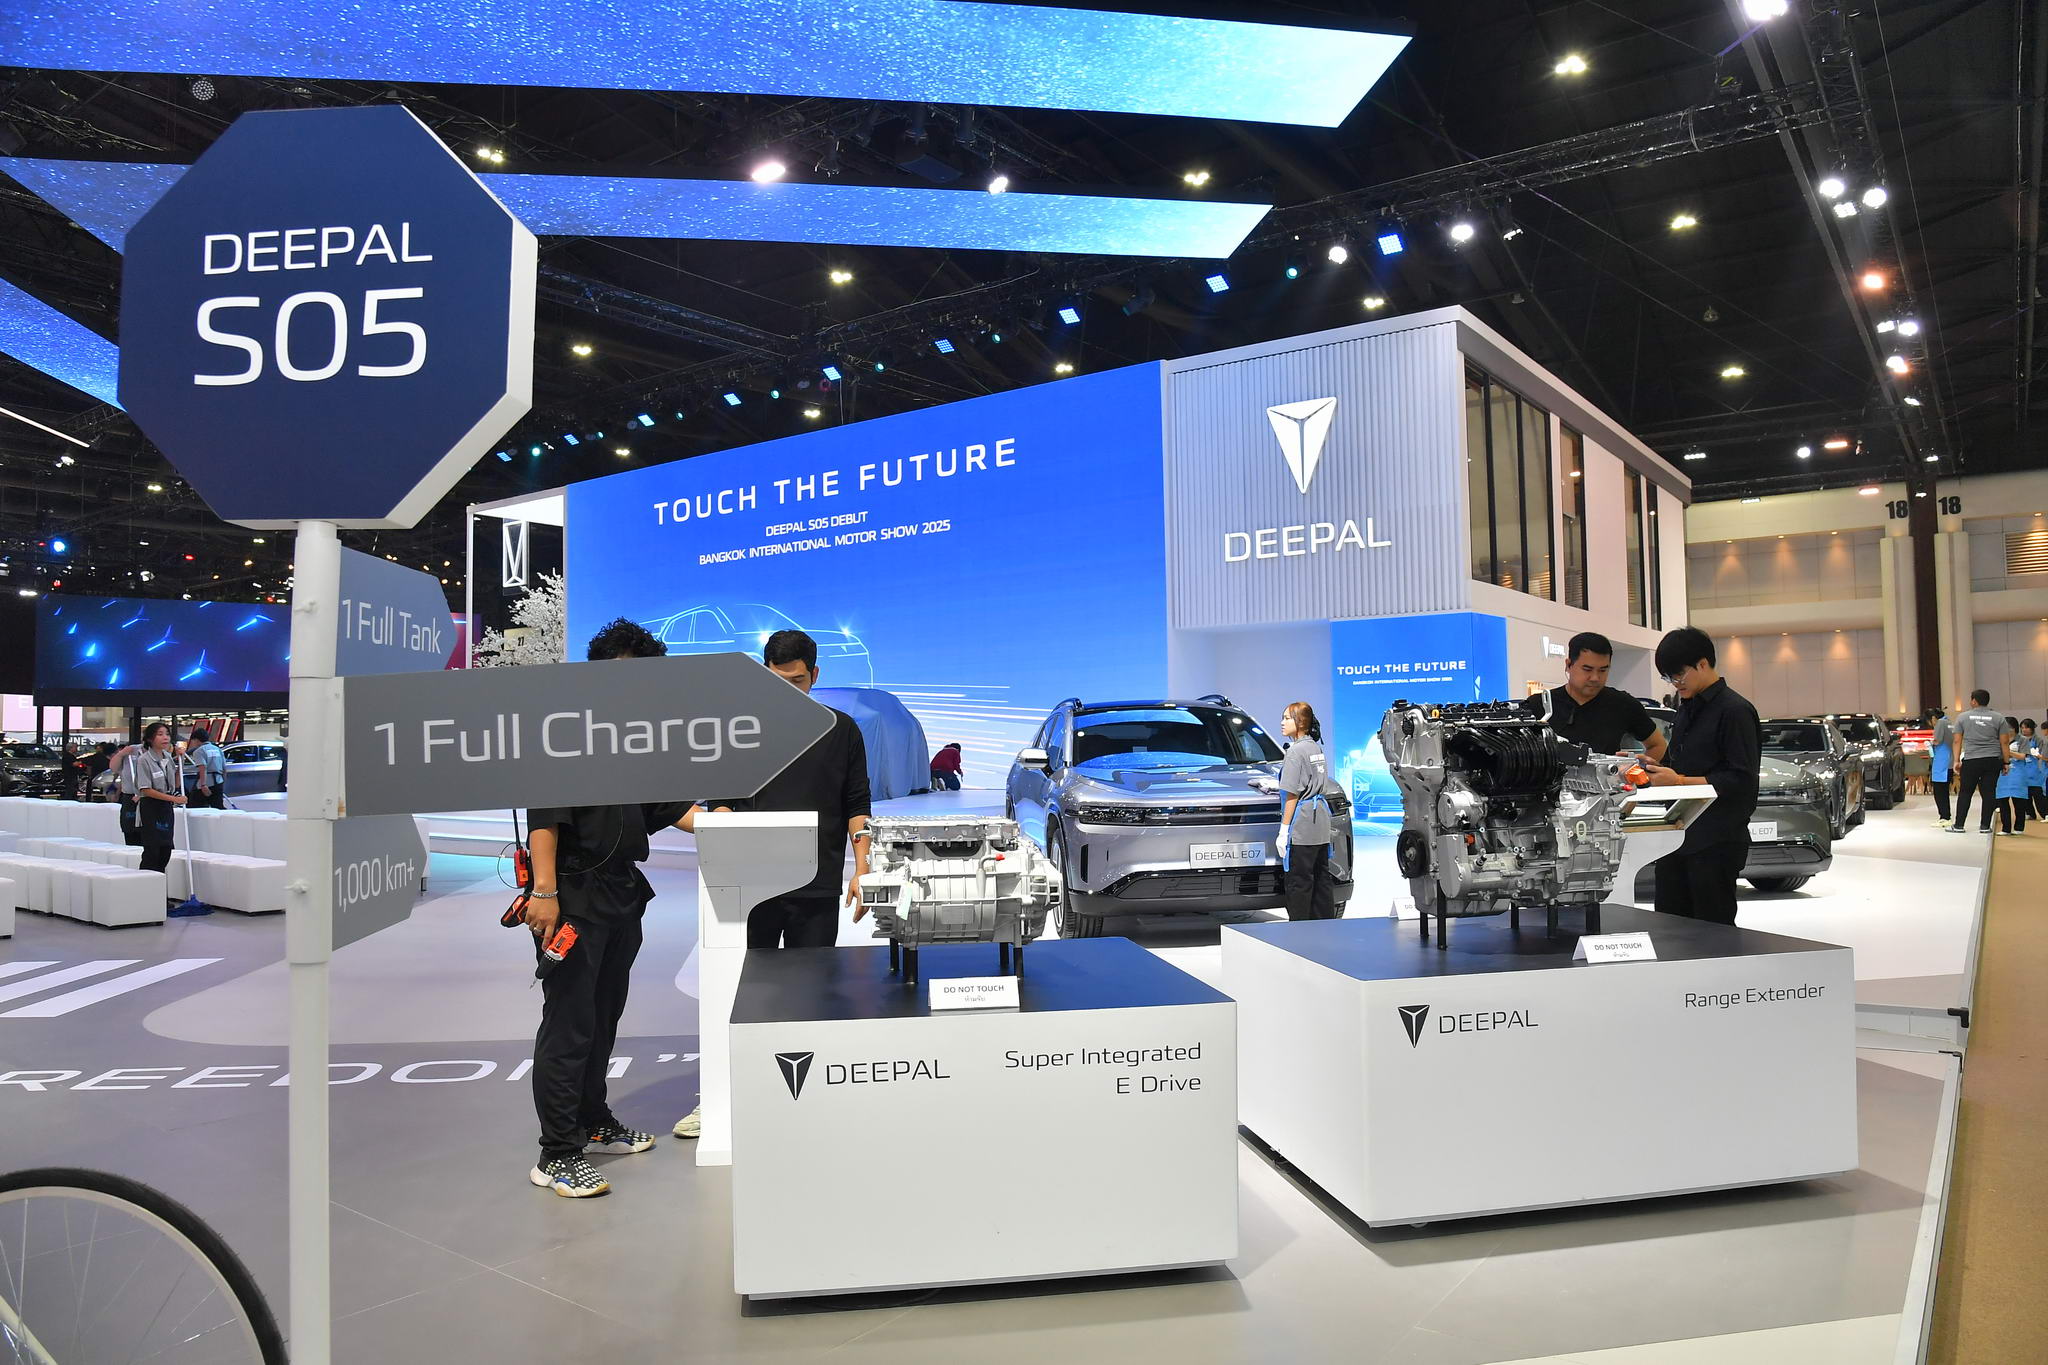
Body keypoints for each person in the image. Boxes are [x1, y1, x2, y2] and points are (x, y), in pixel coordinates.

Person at [523, 617, 699, 1199]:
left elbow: (667, 808)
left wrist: (727, 822)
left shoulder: (635, 739)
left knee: (603, 1019)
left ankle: (593, 1121)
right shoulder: (564, 733)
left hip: (622, 894)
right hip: (571, 897)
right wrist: (543, 892)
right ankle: (557, 1153)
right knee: (570, 1023)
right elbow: (545, 818)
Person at [673, 628, 871, 1141]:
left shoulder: (842, 731)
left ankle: (807, 1100)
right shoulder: (740, 729)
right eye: (777, 680)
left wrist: (863, 867)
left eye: (797, 680)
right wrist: (720, 819)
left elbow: (857, 804)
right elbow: (719, 800)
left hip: (816, 884)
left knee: (812, 993)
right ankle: (723, 1098)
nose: (788, 690)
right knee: (742, 994)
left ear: (815, 675)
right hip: (749, 887)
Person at [1639, 627, 1761, 925]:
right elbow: (1681, 763)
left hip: (1716, 840)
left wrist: (1679, 782)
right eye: (1668, 678)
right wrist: (1650, 766)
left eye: (1679, 675)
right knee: (1669, 925)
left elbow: (1740, 780)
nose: (1675, 683)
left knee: (1713, 930)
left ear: (1703, 664)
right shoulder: (1686, 709)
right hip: (1677, 835)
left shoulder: (1735, 711)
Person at [1522, 631, 1669, 760]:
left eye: (1603, 670)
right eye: (1587, 669)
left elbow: (1658, 745)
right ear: (1568, 665)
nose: (1595, 678)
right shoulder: (1538, 705)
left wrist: (1635, 773)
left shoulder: (1622, 704)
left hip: (1604, 782)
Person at [1277, 701, 1343, 920]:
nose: (1282, 722)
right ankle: (1324, 927)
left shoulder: (1295, 752)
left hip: (1303, 824)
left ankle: (1299, 929)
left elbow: (1291, 795)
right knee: (1321, 878)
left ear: (1301, 721)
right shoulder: (1315, 747)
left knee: (1299, 881)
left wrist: (1284, 831)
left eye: (1287, 718)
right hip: (1320, 821)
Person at [122, 723, 187, 875]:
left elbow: (175, 783)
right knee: (153, 850)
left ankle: (159, 880)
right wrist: (173, 799)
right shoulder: (144, 760)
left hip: (166, 807)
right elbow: (145, 789)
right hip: (150, 807)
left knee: (166, 848)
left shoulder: (168, 758)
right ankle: (147, 881)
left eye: (167, 734)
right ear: (150, 739)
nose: (165, 738)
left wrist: (181, 762)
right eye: (160, 734)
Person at [1946, 690, 2013, 834]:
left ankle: (1959, 825)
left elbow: (1957, 740)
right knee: (1989, 792)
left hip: (1972, 760)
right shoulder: (1998, 717)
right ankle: (1985, 826)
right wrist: (2006, 762)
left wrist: (1956, 761)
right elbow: (2005, 742)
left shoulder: (1963, 717)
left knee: (1965, 792)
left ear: (1974, 701)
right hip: (1992, 759)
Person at [1993, 717, 2030, 835]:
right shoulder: (1999, 739)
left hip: (2018, 773)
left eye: (2009, 727)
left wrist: (2007, 752)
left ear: (2014, 728)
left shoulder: (2022, 740)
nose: (2007, 730)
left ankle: (2019, 828)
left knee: (2018, 801)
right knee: (2002, 801)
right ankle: (2006, 828)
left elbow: (2023, 756)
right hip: (2003, 774)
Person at [187, 727, 228, 810]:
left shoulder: (199, 751)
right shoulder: (218, 749)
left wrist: (203, 785)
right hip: (218, 781)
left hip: (206, 783)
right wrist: (222, 782)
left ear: (197, 740)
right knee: (218, 807)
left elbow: (203, 767)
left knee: (194, 807)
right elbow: (224, 768)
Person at [1927, 707, 1954, 827]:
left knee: (1939, 792)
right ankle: (1946, 816)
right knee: (1944, 791)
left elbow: (1937, 740)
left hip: (1941, 762)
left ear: (1933, 718)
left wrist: (1929, 742)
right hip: (1948, 761)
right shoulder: (1948, 722)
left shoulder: (1940, 723)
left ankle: (1944, 817)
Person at [2022, 719, 2047, 820]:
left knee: (2038, 794)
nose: (2024, 730)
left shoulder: (2038, 740)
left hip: (2036, 769)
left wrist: (2036, 754)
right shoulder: (2020, 740)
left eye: (2026, 727)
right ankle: (2030, 813)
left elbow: (2043, 755)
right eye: (2022, 728)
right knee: (2026, 793)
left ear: (2032, 728)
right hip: (2024, 769)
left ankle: (2045, 813)